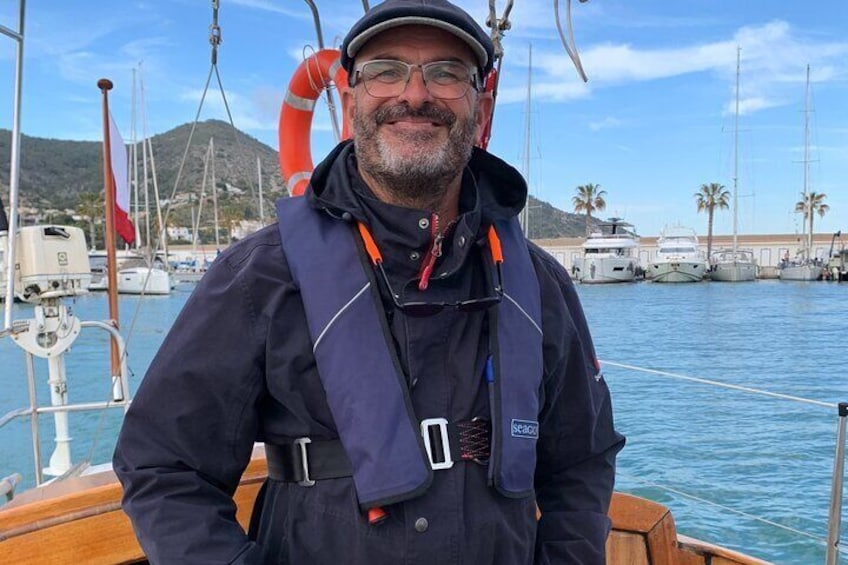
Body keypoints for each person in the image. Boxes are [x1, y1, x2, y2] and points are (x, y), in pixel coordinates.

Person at [113, 1, 625, 563]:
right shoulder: (259, 276)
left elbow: (582, 460)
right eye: (385, 69)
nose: (414, 94)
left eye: (447, 72)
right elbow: (163, 465)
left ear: (482, 108)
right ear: (350, 100)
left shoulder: (540, 284)